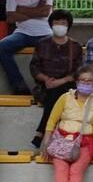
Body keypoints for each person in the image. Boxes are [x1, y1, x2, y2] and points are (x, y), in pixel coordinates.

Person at [39, 66, 93, 182]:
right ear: (76, 81)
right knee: (60, 168)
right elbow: (52, 120)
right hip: (62, 140)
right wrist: (46, 143)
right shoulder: (65, 98)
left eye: (89, 81)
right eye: (82, 80)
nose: (86, 83)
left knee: (76, 170)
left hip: (85, 142)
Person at [30, 9, 82, 148]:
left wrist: (61, 81)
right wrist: (46, 79)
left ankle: (41, 132)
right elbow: (34, 67)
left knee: (59, 93)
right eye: (56, 22)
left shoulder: (75, 46)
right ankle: (43, 133)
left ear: (68, 26)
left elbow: (78, 71)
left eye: (63, 23)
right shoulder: (42, 44)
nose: (59, 25)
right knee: (55, 93)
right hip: (44, 87)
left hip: (67, 86)